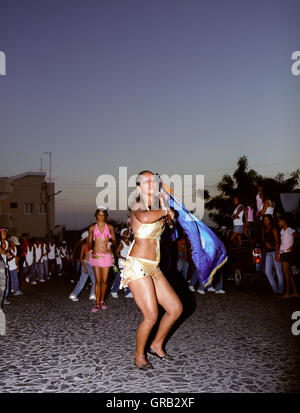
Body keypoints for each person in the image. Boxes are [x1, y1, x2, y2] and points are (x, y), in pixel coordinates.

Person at [120, 170, 183, 370]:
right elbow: (146, 218)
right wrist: (166, 211)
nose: (151, 182)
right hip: (138, 265)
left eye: (153, 180)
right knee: (151, 315)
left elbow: (172, 224)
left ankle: (156, 344)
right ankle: (139, 356)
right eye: (146, 180)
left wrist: (165, 203)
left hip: (154, 266)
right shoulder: (137, 203)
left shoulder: (157, 205)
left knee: (175, 308)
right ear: (138, 187)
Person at [88, 206, 117, 312]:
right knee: (97, 281)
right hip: (96, 256)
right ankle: (96, 304)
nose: (101, 216)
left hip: (106, 255)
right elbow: (90, 242)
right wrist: (91, 250)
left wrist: (110, 243)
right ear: (96, 216)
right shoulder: (92, 228)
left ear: (105, 216)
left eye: (103, 214)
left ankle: (102, 301)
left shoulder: (110, 227)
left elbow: (114, 240)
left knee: (105, 281)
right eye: (99, 214)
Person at [69, 231, 96, 302]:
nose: (91, 237)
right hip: (86, 264)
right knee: (82, 282)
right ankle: (73, 294)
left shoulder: (94, 245)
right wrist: (84, 267)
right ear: (86, 238)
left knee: (95, 281)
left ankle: (92, 294)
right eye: (89, 236)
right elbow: (81, 257)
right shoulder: (84, 245)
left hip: (92, 265)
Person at [278, 215, 300, 299]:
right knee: (289, 274)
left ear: (284, 221)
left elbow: (299, 237)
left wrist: (293, 246)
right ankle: (295, 292)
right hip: (283, 253)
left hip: (287, 254)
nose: (278, 223)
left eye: (279, 221)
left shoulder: (290, 230)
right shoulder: (282, 231)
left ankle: (287, 293)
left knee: (286, 274)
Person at [261, 215, 284, 295]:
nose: (265, 221)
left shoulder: (273, 229)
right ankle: (275, 290)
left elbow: (277, 242)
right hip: (268, 252)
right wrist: (266, 243)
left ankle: (281, 291)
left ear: (270, 220)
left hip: (275, 251)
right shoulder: (264, 229)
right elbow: (263, 238)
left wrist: (277, 254)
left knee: (279, 272)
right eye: (264, 220)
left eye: (267, 220)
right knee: (267, 272)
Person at [111, 228, 133, 298]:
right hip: (122, 262)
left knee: (129, 277)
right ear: (122, 235)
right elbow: (117, 253)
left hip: (129, 262)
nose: (127, 234)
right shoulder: (121, 243)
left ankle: (128, 292)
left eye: (128, 232)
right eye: (125, 232)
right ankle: (114, 291)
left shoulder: (130, 242)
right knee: (120, 277)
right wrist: (124, 258)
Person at [0, 228, 13, 304]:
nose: (5, 234)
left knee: (6, 283)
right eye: (3, 233)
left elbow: (8, 252)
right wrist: (6, 253)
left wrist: (9, 255)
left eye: (5, 233)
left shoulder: (6, 242)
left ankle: (4, 298)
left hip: (5, 265)